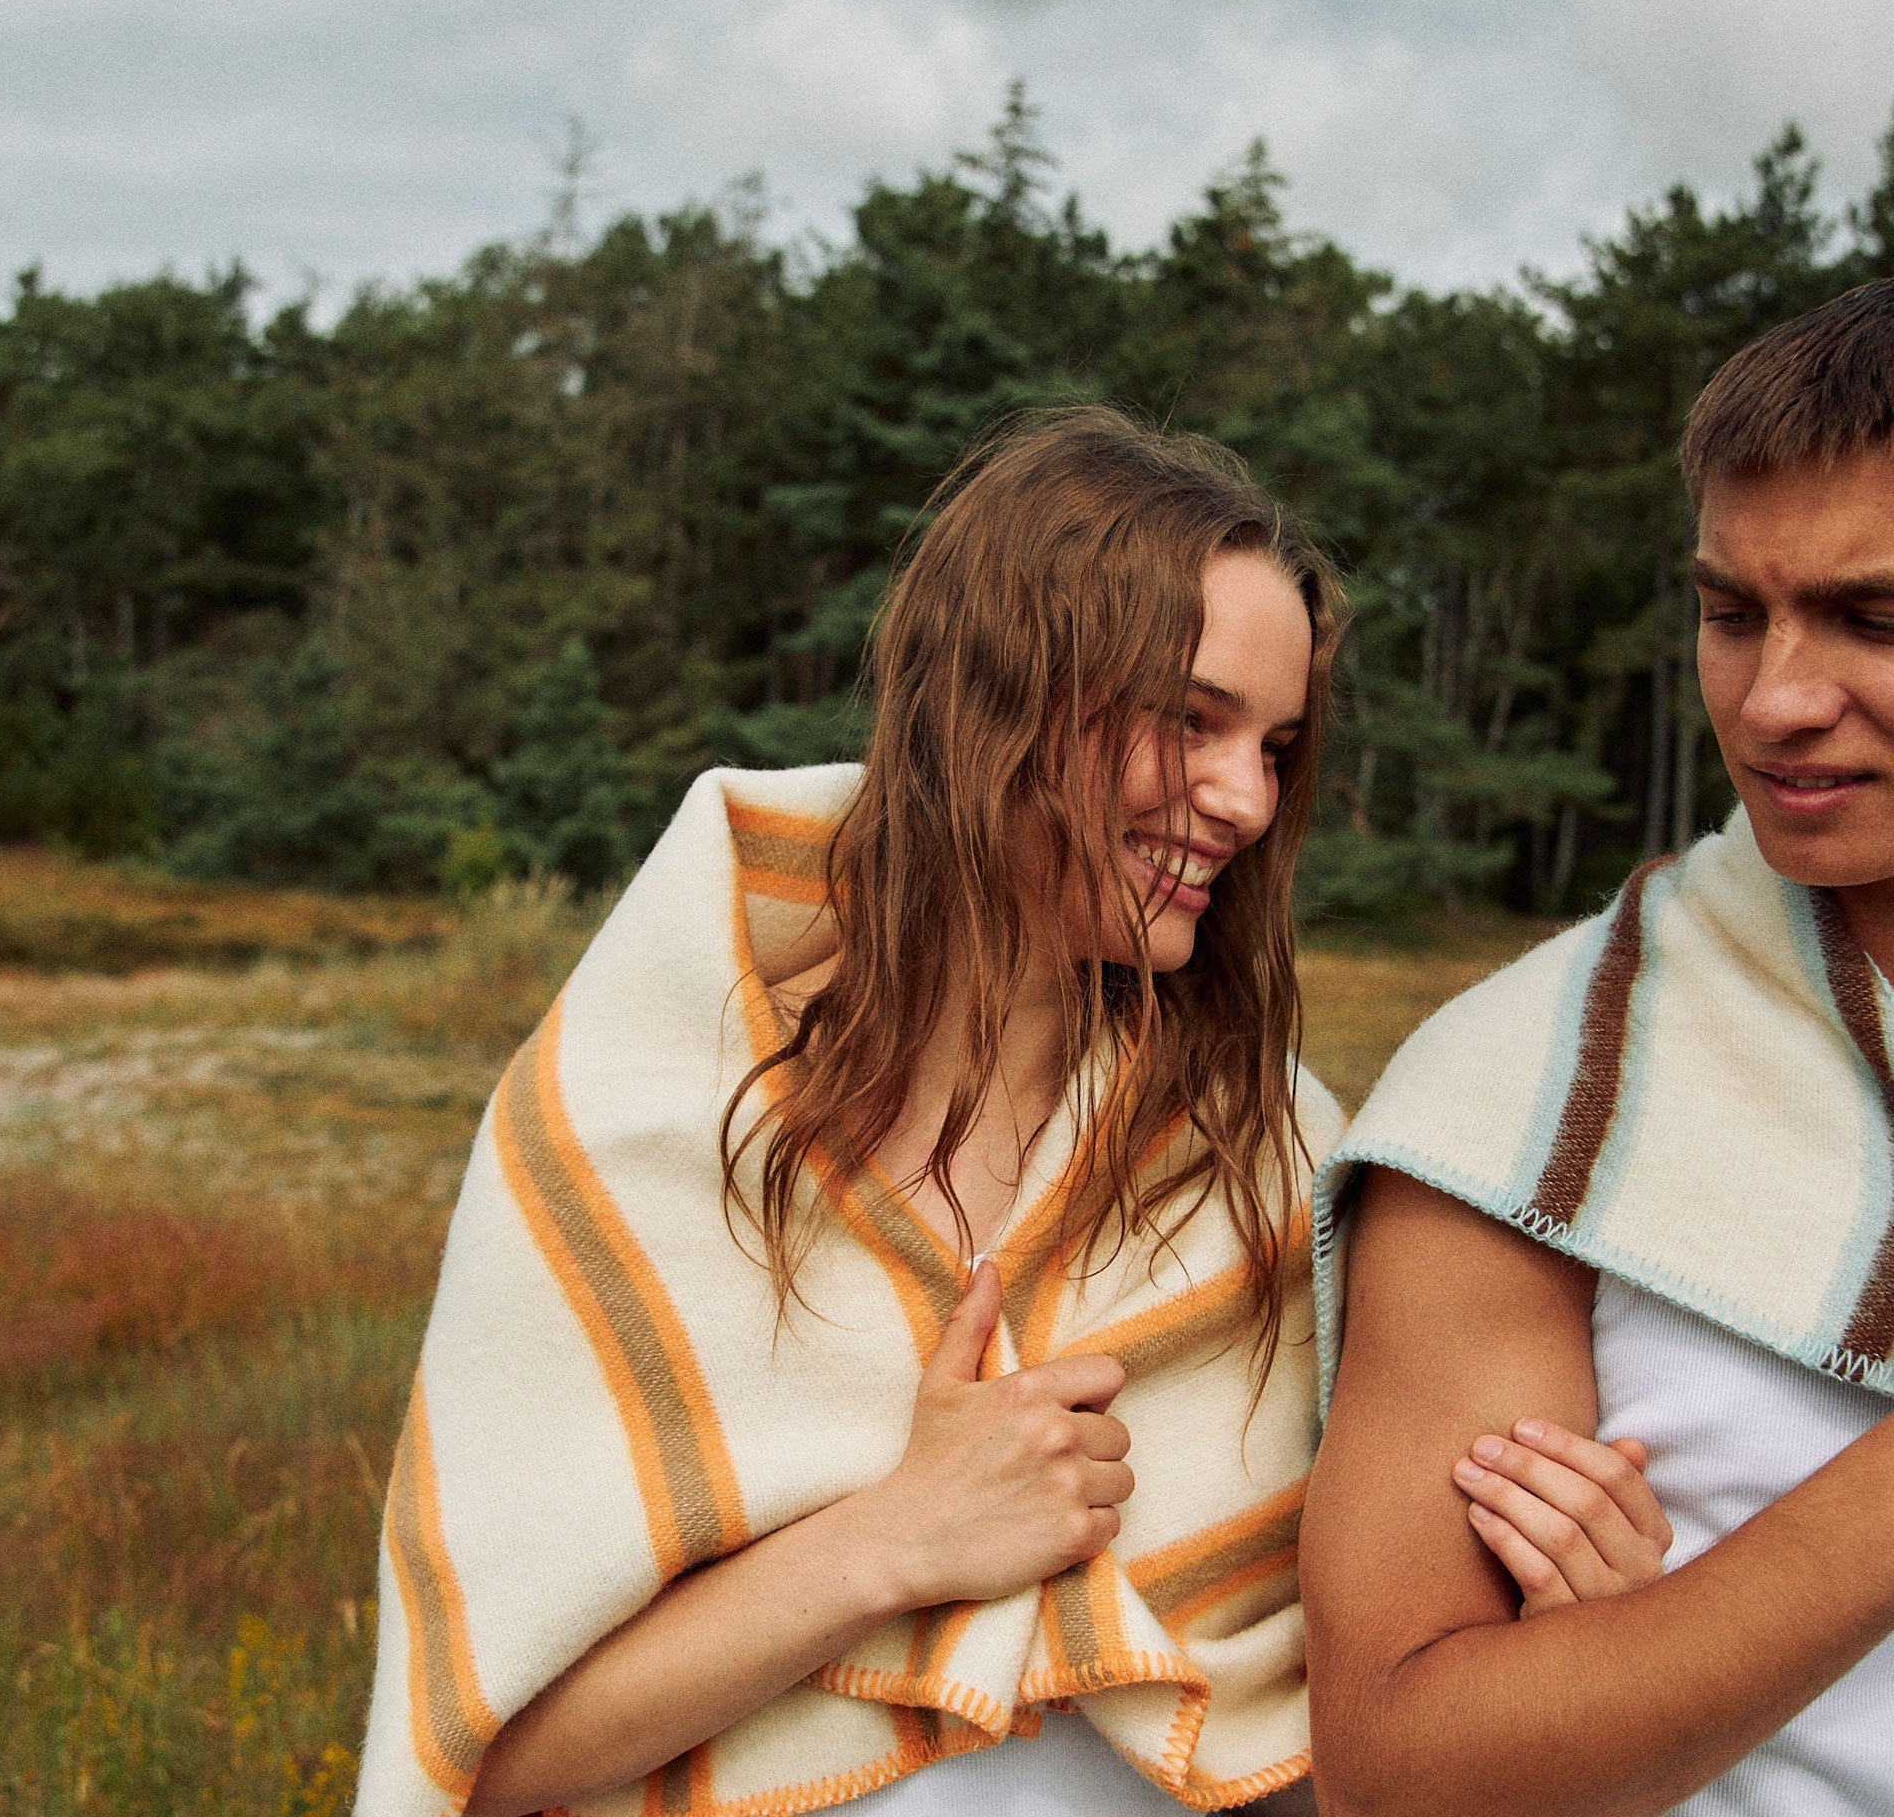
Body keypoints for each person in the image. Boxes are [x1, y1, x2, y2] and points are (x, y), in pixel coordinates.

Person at [352, 407, 1358, 1817]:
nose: (1247, 798)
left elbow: (1329, 1695)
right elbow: (488, 1754)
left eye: (1276, 744)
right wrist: (891, 1543)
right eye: (1191, 720)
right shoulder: (650, 1114)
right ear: (1000, 697)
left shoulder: (1268, 1153)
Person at [1301, 276, 1894, 1816]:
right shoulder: (1525, 1098)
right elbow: (1398, 1769)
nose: (1776, 699)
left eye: (1872, 618)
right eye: (1727, 611)